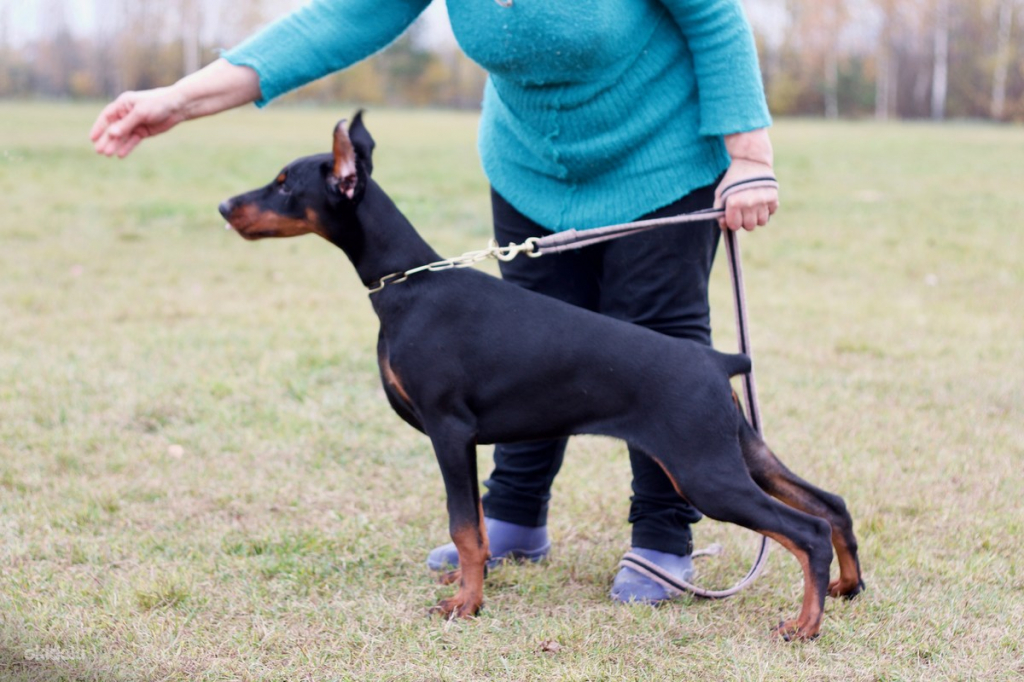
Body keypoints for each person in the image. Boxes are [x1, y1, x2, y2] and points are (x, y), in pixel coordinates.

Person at [91, 0, 779, 605]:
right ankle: (512, 514)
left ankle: (661, 536)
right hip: (531, 166)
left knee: (656, 336)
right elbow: (340, 18)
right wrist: (177, 100)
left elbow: (712, 13)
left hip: (659, 159)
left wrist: (748, 155)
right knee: (525, 343)